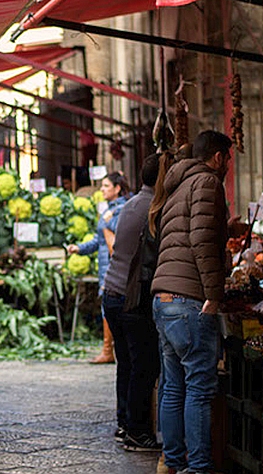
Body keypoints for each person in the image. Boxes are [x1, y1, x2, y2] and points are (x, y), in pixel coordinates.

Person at [151, 130, 232, 474]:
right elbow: (200, 241)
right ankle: (198, 468)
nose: (228, 165)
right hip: (189, 301)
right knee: (199, 388)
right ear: (217, 157)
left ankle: (171, 463)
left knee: (173, 387)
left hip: (164, 299)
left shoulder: (177, 186)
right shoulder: (208, 183)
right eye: (228, 158)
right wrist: (213, 295)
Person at [100, 154, 161, 451]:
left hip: (111, 292)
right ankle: (137, 431)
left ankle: (125, 423)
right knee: (143, 366)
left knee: (126, 363)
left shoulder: (133, 203)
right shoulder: (153, 207)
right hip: (129, 296)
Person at [66, 171, 130, 364]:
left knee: (113, 309)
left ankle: (111, 351)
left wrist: (111, 219)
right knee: (106, 308)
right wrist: (79, 249)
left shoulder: (122, 209)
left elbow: (121, 238)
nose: (101, 189)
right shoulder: (109, 209)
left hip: (114, 268)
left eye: (106, 186)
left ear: (117, 189)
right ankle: (108, 349)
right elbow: (98, 240)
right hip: (105, 267)